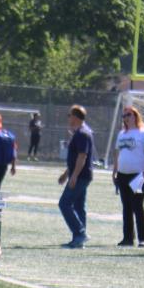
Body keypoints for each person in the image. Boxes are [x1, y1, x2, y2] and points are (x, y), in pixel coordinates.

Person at [111, 103, 144, 247]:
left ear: (135, 116)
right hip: (123, 174)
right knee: (126, 206)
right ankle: (128, 238)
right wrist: (115, 171)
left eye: (129, 114)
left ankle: (142, 239)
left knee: (137, 205)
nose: (126, 117)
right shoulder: (122, 134)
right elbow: (117, 154)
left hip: (138, 175)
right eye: (124, 115)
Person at [57, 105, 96, 248]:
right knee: (79, 207)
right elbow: (75, 159)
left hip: (81, 175)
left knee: (64, 203)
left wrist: (74, 176)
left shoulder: (82, 134)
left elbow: (82, 157)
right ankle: (78, 240)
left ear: (75, 117)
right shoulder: (80, 132)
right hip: (80, 174)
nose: (68, 118)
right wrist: (66, 174)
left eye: (69, 115)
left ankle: (80, 233)